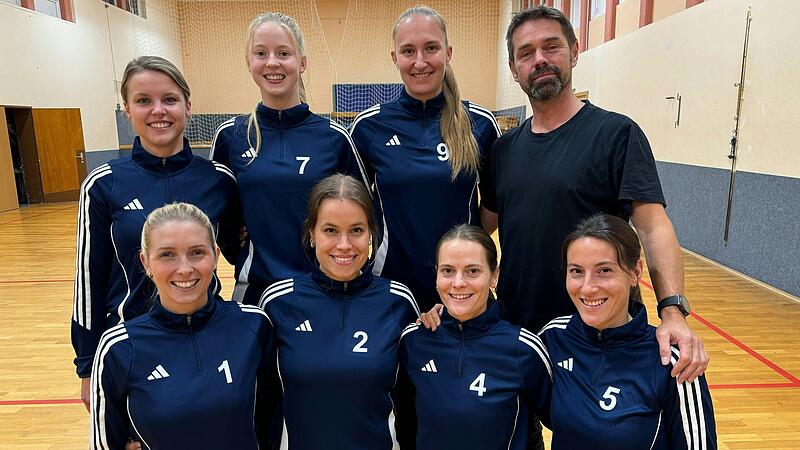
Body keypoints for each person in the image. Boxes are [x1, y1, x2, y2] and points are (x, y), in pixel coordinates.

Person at [479, 5, 707, 382]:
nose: (540, 59)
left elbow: (652, 226)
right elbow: (480, 228)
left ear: (574, 50)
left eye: (551, 46)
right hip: (519, 329)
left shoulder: (617, 135)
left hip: (598, 332)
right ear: (513, 68)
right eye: (526, 53)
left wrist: (672, 311)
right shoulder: (503, 150)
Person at [72, 56, 240, 410]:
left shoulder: (218, 179)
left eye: (169, 99)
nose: (158, 110)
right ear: (127, 110)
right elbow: (89, 280)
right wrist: (87, 364)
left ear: (187, 106)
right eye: (143, 100)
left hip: (208, 338)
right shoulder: (103, 184)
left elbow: (242, 252)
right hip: (134, 344)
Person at [349, 5, 500, 311]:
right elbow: (350, 211)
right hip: (389, 289)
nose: (420, 62)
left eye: (431, 48)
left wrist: (461, 254)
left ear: (448, 53)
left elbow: (493, 209)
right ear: (395, 57)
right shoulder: (368, 128)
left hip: (461, 291)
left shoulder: (480, 124)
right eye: (408, 51)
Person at [210, 12, 367, 305]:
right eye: (261, 53)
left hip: (326, 292)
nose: (272, 62)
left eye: (283, 53)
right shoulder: (231, 136)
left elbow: (366, 214)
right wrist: (239, 251)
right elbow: (218, 217)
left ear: (302, 62)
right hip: (255, 292)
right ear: (249, 62)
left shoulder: (334, 138)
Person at [90, 203, 275, 450]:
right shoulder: (119, 348)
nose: (185, 269)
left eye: (197, 252)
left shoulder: (254, 326)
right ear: (146, 262)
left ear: (216, 256)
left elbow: (274, 426)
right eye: (167, 255)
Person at [258, 174, 419, 450]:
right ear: (312, 234)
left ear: (371, 233)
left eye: (356, 230)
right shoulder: (278, 303)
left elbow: (415, 401)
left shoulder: (399, 302)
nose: (344, 245)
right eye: (330, 230)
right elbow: (261, 402)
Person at [539, 213, 717, 449]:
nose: (587, 287)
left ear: (635, 273)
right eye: (576, 271)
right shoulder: (553, 337)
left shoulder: (673, 361)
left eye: (604, 271)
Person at [396, 224, 552, 449]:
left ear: (494, 275)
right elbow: (406, 426)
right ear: (436, 274)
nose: (458, 283)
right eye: (448, 270)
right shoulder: (413, 341)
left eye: (472, 271)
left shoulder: (525, 349)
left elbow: (555, 426)